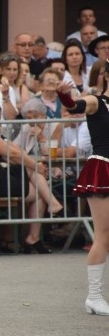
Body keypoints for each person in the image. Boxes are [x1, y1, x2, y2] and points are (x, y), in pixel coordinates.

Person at [0, 96, 62, 254]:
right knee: (34, 177)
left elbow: (17, 150)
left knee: (38, 188)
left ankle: (34, 237)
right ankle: (49, 209)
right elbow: (12, 153)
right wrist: (36, 166)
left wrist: (32, 164)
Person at [57, 75, 109, 315]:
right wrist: (64, 95)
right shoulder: (97, 101)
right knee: (103, 235)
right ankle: (94, 296)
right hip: (103, 168)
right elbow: (74, 106)